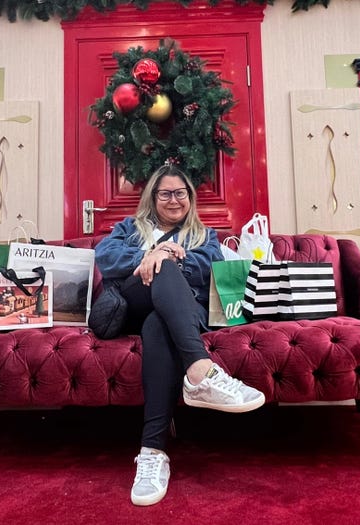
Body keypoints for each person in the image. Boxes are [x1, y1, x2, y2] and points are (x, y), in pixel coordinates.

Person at [94, 164, 265, 506]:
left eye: (180, 193)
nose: (174, 200)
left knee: (159, 322)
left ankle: (152, 451)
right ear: (152, 197)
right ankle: (201, 369)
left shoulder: (205, 235)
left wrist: (172, 260)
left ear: (190, 197)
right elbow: (104, 255)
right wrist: (151, 255)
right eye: (165, 193)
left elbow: (209, 265)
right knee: (164, 267)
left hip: (178, 313)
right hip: (132, 304)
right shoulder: (130, 227)